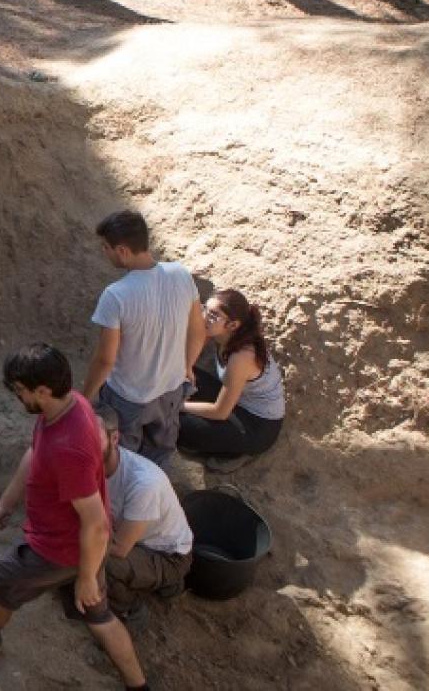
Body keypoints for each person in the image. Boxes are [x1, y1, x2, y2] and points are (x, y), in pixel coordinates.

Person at [0, 345, 150, 690]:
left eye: (21, 390)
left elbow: (95, 524)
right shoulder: (70, 405)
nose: (18, 397)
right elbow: (36, 452)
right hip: (78, 545)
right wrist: (5, 504)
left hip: (59, 550)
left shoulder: (68, 447)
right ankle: (139, 686)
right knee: (100, 616)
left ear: (43, 391)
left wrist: (84, 577)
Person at [84, 210, 206, 467]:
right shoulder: (181, 275)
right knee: (159, 455)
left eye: (106, 248)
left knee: (122, 460)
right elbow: (198, 331)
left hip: (129, 396)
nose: (104, 253)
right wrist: (186, 367)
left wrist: (85, 397)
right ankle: (152, 497)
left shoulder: (116, 295)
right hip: (171, 389)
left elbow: (106, 359)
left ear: (123, 251)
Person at [97, 405, 192, 622]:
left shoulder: (144, 484)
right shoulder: (84, 464)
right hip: (129, 533)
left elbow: (119, 550)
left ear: (114, 438)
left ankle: (129, 610)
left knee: (104, 564)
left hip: (168, 556)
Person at [179, 289, 286, 466]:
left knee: (176, 424)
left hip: (257, 425)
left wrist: (178, 405)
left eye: (213, 315)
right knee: (177, 377)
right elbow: (189, 358)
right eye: (205, 309)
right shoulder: (219, 331)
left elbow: (220, 412)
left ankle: (234, 453)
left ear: (232, 325)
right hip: (237, 403)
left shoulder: (242, 356)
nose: (205, 316)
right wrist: (185, 369)